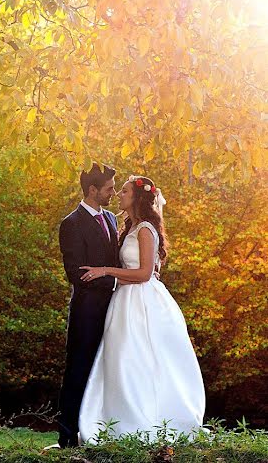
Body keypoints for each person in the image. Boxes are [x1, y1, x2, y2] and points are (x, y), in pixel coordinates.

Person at [77, 175, 205, 443]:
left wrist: (104, 271)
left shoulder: (146, 229)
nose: (119, 195)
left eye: (123, 191)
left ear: (137, 198)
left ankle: (150, 419)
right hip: (124, 300)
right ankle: (122, 420)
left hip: (143, 302)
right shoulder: (129, 228)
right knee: (123, 361)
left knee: (142, 359)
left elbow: (145, 273)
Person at [56, 162, 123, 448]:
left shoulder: (111, 218)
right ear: (93, 190)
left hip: (116, 309)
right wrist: (116, 282)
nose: (114, 193)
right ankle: (68, 435)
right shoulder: (71, 224)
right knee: (79, 369)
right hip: (87, 311)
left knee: (108, 370)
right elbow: (77, 273)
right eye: (109, 189)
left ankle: (99, 431)